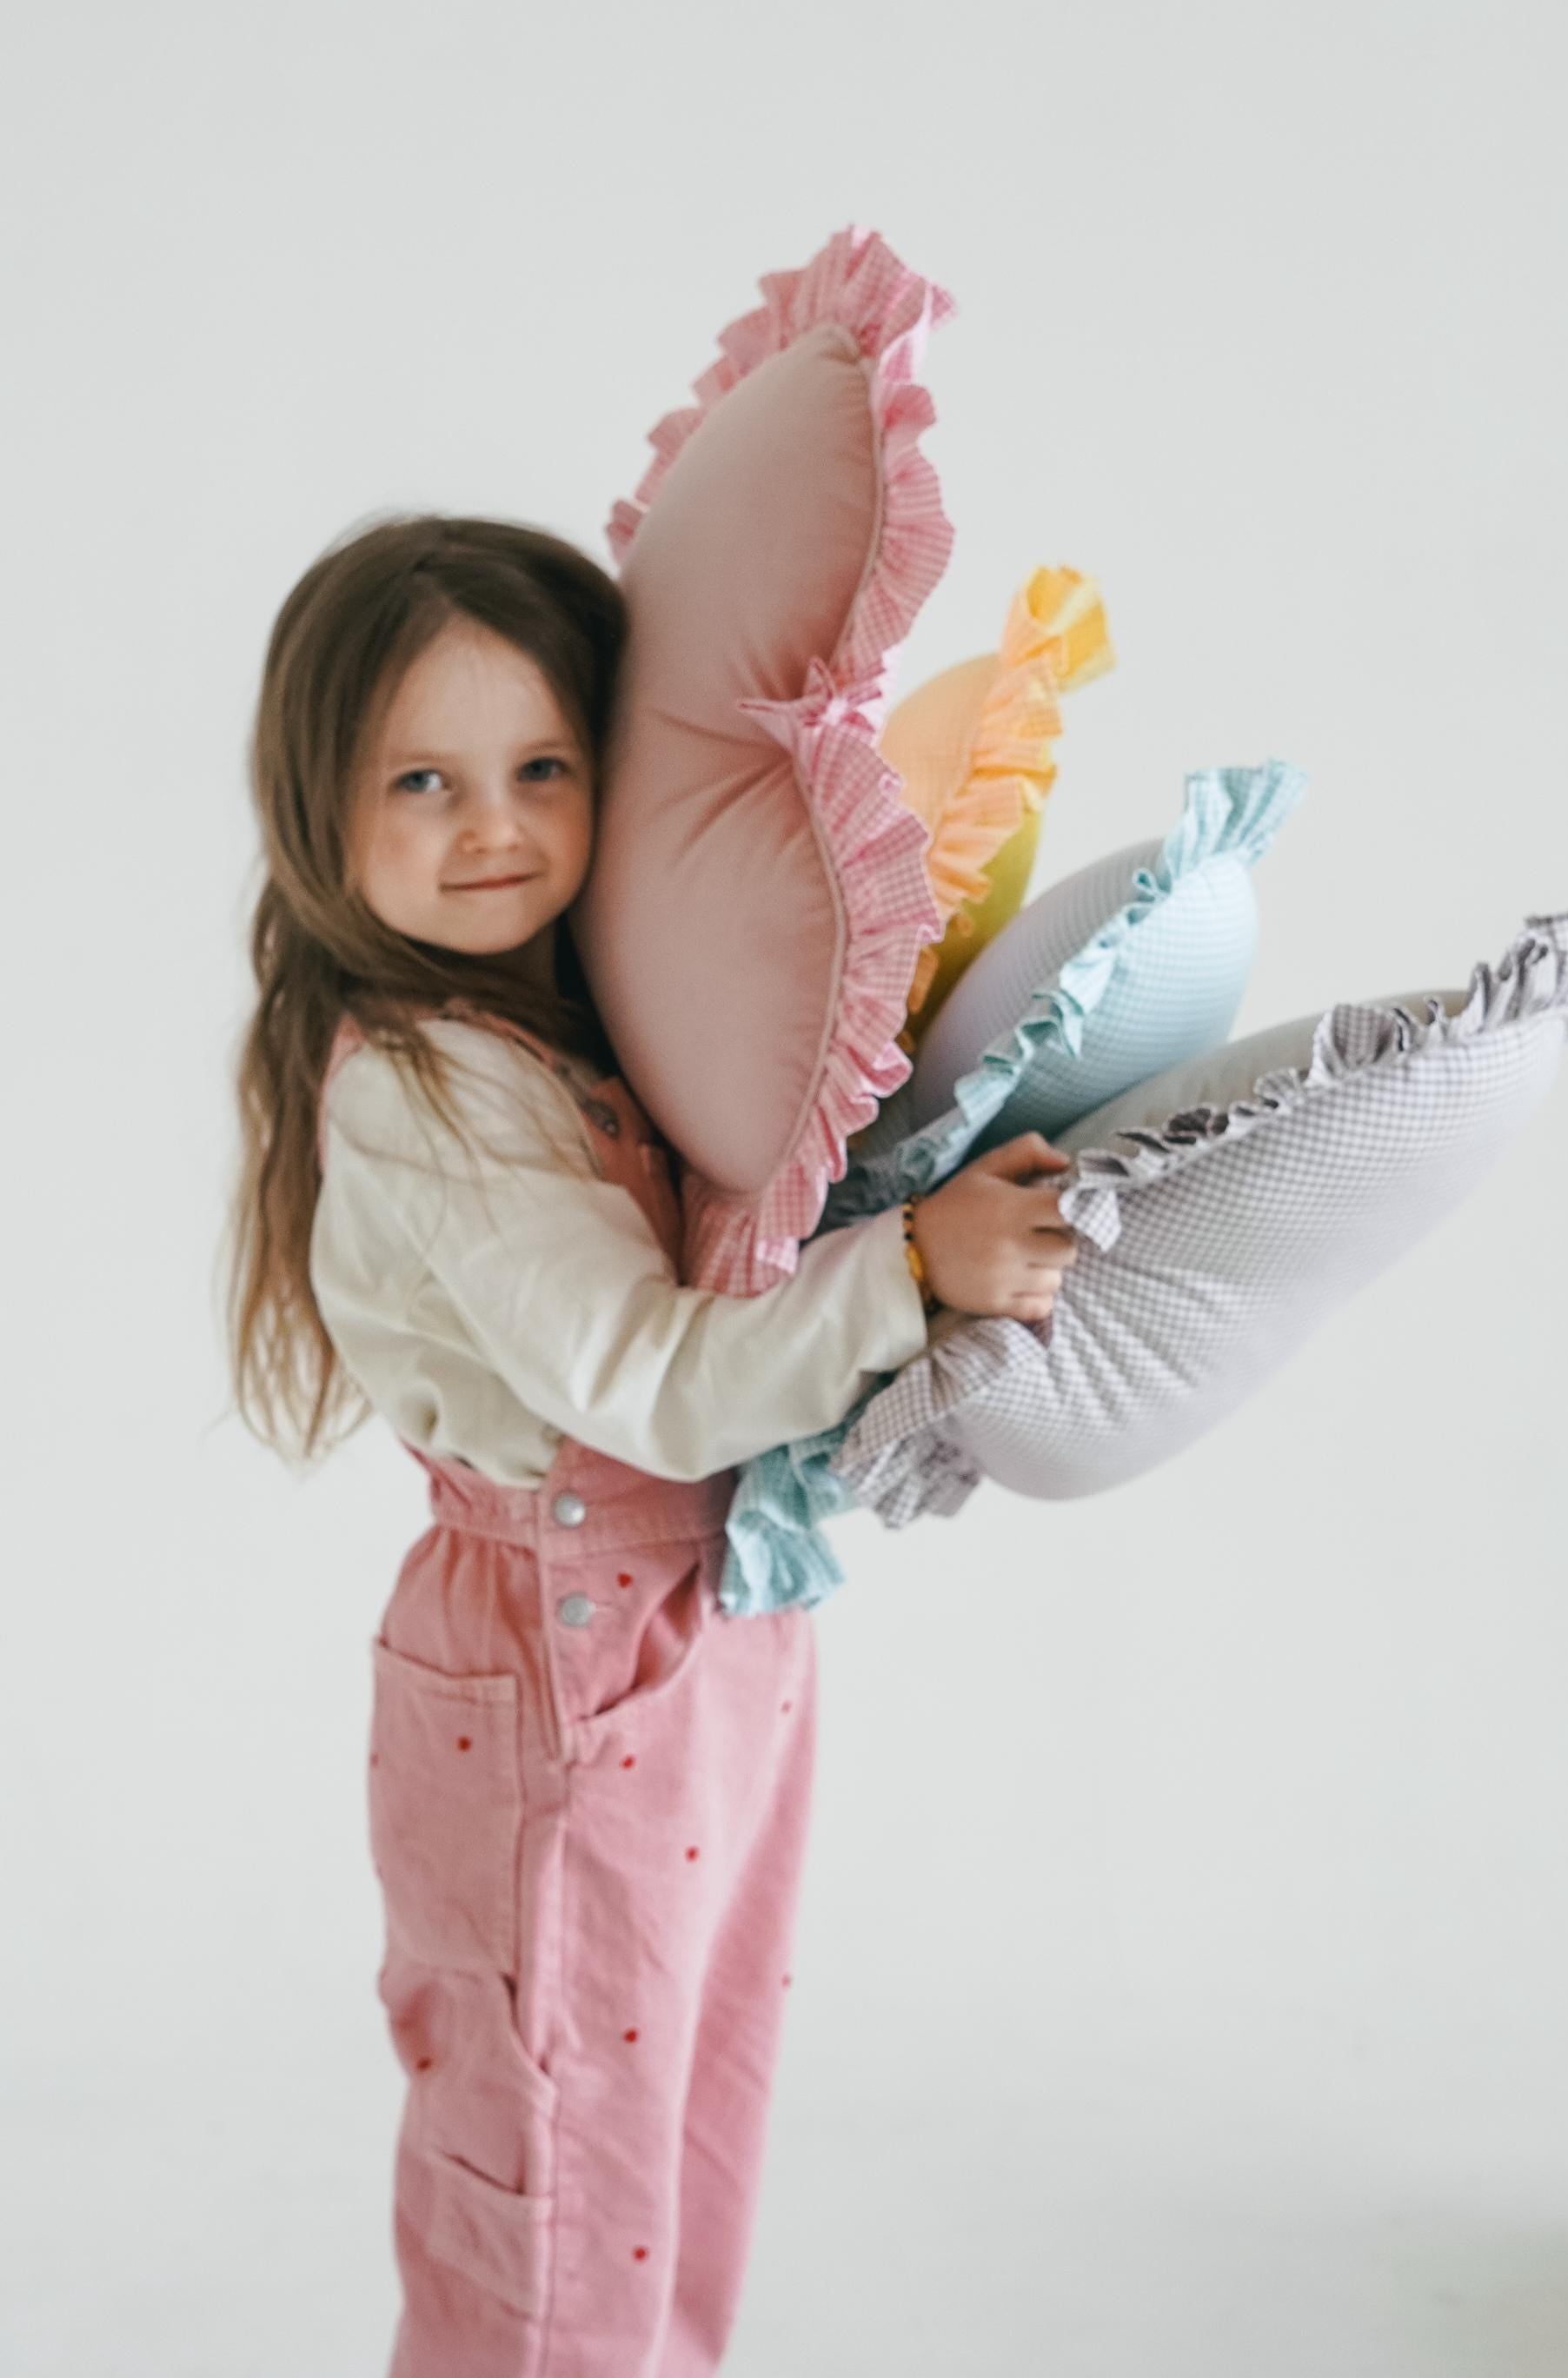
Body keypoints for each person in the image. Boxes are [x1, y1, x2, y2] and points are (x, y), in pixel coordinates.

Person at [223, 510, 1078, 2378]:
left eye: (543, 767)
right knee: (549, 2155)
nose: (495, 826)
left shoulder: (567, 1023)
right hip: (563, 1657)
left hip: (703, 1634)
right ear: (320, 808)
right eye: (423, 783)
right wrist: (908, 1273)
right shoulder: (433, 1082)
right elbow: (648, 1379)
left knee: (682, 2117)